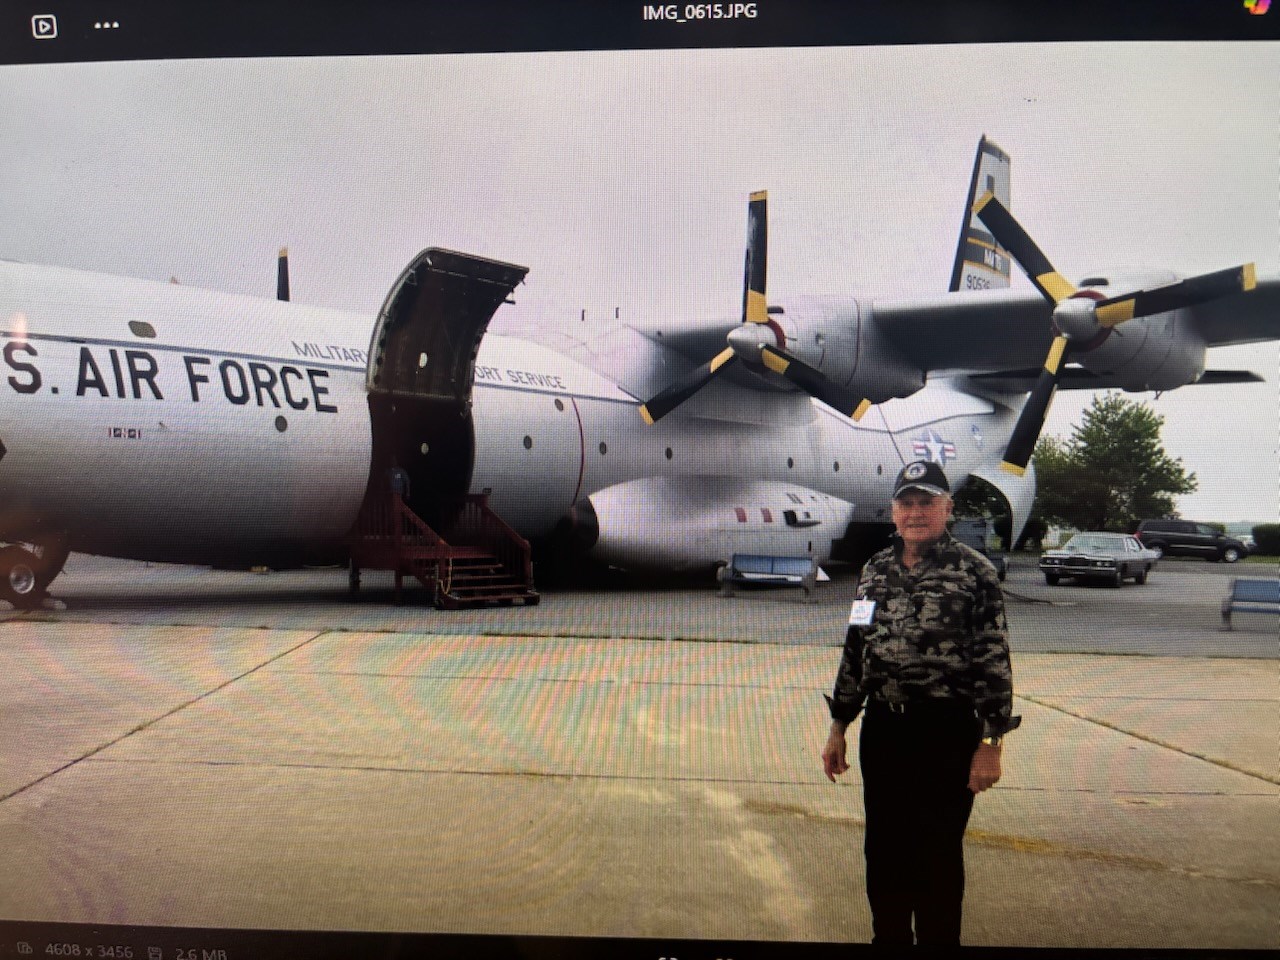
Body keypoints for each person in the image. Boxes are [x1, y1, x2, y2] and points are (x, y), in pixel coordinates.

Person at [821, 460, 1020, 947]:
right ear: (893, 511)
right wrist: (839, 724)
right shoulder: (874, 569)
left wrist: (991, 743)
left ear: (948, 509)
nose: (915, 512)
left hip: (946, 733)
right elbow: (857, 648)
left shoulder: (975, 572)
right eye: (906, 503)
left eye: (926, 503)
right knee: (884, 849)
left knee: (936, 854)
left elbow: (993, 659)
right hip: (884, 730)